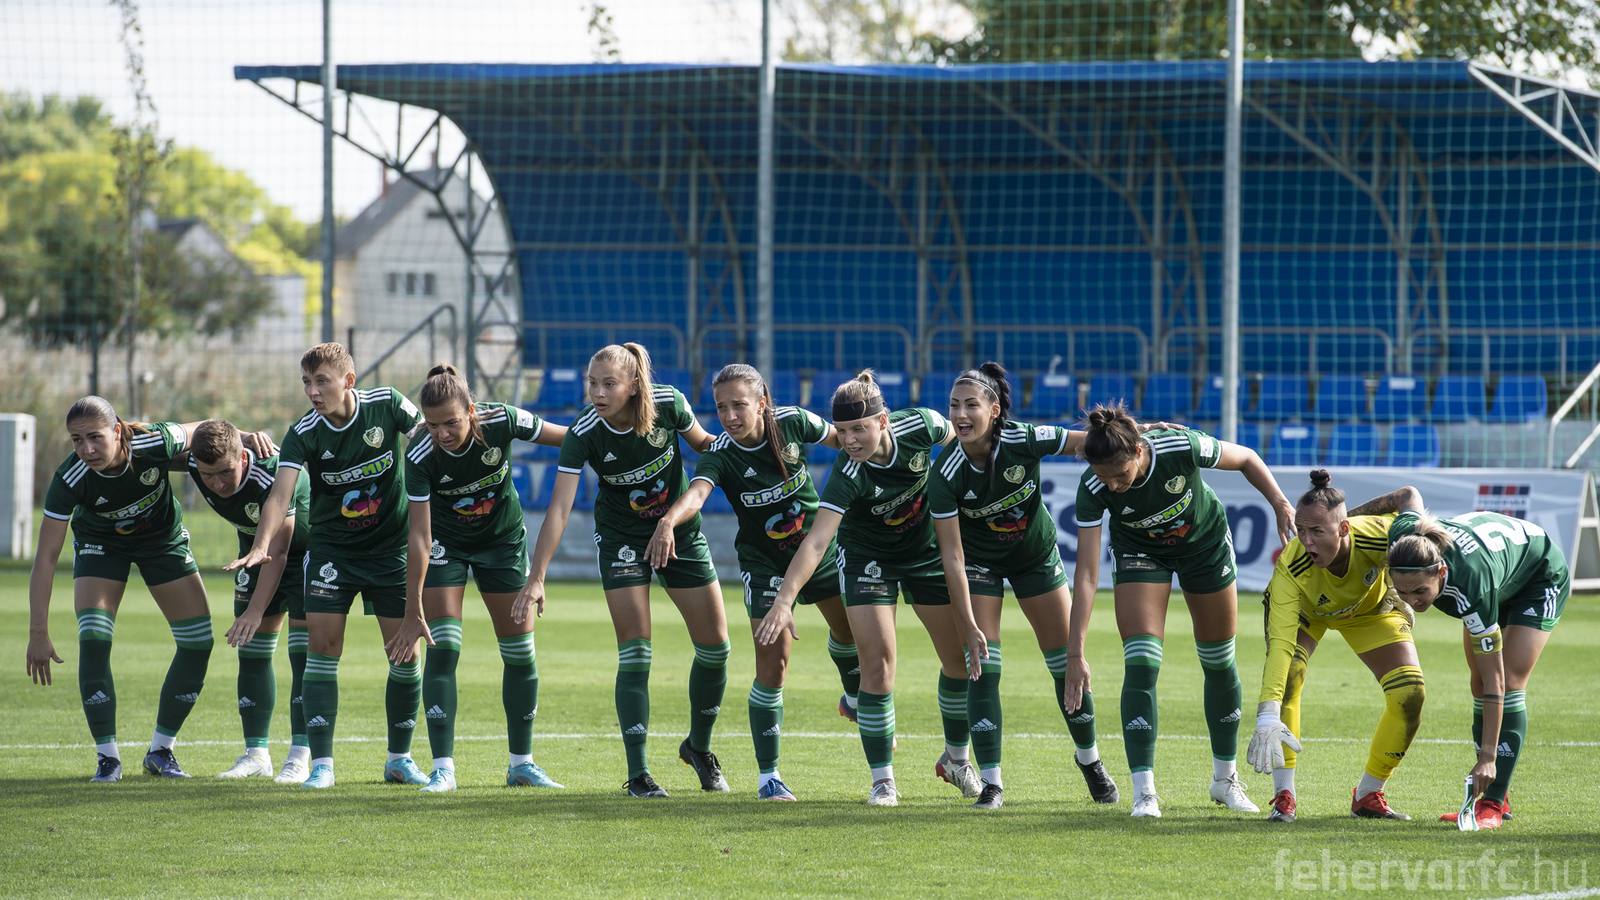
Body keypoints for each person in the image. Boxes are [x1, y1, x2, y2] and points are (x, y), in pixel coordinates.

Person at [754, 370, 977, 808]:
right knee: (878, 666)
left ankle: (956, 760)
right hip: (867, 562)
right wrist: (784, 600)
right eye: (842, 431)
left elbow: (963, 448)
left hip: (925, 553)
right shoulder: (847, 472)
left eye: (859, 428)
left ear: (883, 421)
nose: (850, 440)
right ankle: (883, 782)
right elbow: (817, 541)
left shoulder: (924, 425)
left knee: (959, 663)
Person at [517, 343, 729, 799]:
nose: (597, 392)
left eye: (608, 384)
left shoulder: (669, 404)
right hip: (622, 541)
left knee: (716, 649)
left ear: (634, 385)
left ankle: (698, 748)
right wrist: (537, 577)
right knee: (636, 653)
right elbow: (559, 508)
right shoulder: (584, 431)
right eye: (592, 383)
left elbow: (708, 447)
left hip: (678, 532)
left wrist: (754, 444)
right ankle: (638, 775)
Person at [645, 363, 861, 801]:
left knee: (850, 634)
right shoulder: (720, 454)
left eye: (739, 405)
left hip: (817, 552)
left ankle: (854, 699)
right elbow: (697, 493)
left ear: (762, 403)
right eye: (721, 407)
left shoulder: (793, 422)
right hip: (764, 565)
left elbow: (846, 441)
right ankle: (769, 777)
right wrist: (668, 519)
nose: (729, 416)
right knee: (773, 664)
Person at [1069, 404, 1294, 818]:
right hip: (1139, 554)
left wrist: (1279, 502)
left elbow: (1246, 457)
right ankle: (1144, 793)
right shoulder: (1094, 486)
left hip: (1205, 548)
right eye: (1105, 478)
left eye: (1121, 475)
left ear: (1139, 451)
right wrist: (1075, 652)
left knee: (1219, 661)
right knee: (1141, 663)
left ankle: (1225, 781)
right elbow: (1085, 574)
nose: (1114, 486)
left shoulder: (1180, 447)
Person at [228, 342, 425, 789]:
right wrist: (261, 544)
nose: (312, 391)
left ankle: (399, 759)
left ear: (348, 381)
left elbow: (427, 441)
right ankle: (321, 766)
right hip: (333, 554)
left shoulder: (388, 404)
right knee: (322, 649)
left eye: (322, 381)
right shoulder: (303, 432)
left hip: (391, 552)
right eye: (306, 383)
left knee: (405, 653)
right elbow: (280, 495)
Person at [929, 363, 1121, 809]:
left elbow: (1091, 442)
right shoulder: (945, 474)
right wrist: (967, 623)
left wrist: (1138, 434)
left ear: (994, 410)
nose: (960, 414)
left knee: (1067, 664)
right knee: (982, 666)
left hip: (1035, 558)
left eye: (971, 405)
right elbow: (952, 556)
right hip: (979, 566)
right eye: (954, 405)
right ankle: (992, 782)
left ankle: (1090, 760)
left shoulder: (1025, 439)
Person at [26, 397, 240, 780]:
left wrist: (244, 438)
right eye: (77, 440)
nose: (87, 449)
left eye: (95, 437)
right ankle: (107, 759)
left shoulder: (154, 441)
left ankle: (161, 752)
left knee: (197, 642)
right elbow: (45, 557)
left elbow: (209, 429)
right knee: (94, 637)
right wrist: (38, 631)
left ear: (117, 431)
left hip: (162, 542)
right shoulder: (70, 478)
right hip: (101, 546)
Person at [386, 364, 568, 793]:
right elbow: (419, 536)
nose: (442, 433)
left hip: (503, 543)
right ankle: (443, 770)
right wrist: (412, 609)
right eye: (433, 425)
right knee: (444, 649)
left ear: (471, 410)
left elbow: (571, 438)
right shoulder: (419, 453)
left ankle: (521, 765)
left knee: (520, 654)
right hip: (446, 546)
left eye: (451, 422)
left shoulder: (503, 420)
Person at [1246, 473, 1426, 822]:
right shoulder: (1291, 566)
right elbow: (1281, 645)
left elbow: (1408, 494)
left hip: (1368, 610)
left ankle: (1368, 795)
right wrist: (1267, 712)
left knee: (1410, 694)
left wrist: (1406, 584)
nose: (1306, 541)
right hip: (1308, 614)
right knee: (1290, 676)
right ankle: (1284, 795)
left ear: (1344, 529)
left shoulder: (1377, 535)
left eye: (1317, 531)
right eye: (1301, 531)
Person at [1386, 507, 1568, 829]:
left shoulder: (1471, 588)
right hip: (1498, 571)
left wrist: (1487, 759)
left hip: (1537, 575)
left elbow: (1496, 680)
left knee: (1507, 681)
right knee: (1477, 683)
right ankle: (1493, 795)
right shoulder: (1402, 538)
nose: (1411, 600)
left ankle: (1493, 803)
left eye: (1419, 591)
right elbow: (1407, 495)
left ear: (1441, 572)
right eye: (1402, 591)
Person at [184, 418, 315, 783]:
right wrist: (239, 432)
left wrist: (256, 611)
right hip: (252, 557)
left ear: (243, 458)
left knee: (303, 657)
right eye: (208, 476)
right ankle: (256, 755)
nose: (217, 484)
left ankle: (300, 757)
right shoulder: (196, 462)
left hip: (308, 557)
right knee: (252, 653)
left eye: (225, 472)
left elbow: (279, 550)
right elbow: (173, 434)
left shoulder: (273, 473)